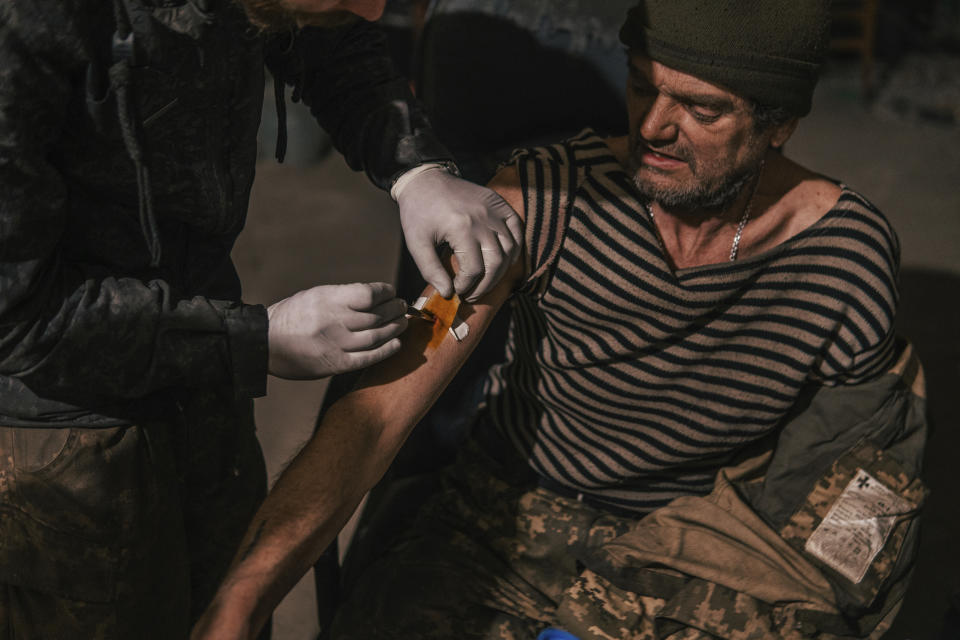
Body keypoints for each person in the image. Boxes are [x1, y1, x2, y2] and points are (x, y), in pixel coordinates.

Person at [197, 1, 928, 638]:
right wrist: (241, 598)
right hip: (508, 513)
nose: (654, 127)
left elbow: (857, 485)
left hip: (693, 543)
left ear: (779, 125)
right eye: (642, 85)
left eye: (702, 110)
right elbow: (376, 418)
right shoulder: (543, 194)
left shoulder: (844, 259)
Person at [0, 0, 524, 637]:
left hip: (203, 392)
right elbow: (19, 318)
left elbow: (333, 46)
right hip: (59, 430)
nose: (375, 7)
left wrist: (416, 168)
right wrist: (253, 337)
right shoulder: (24, 26)